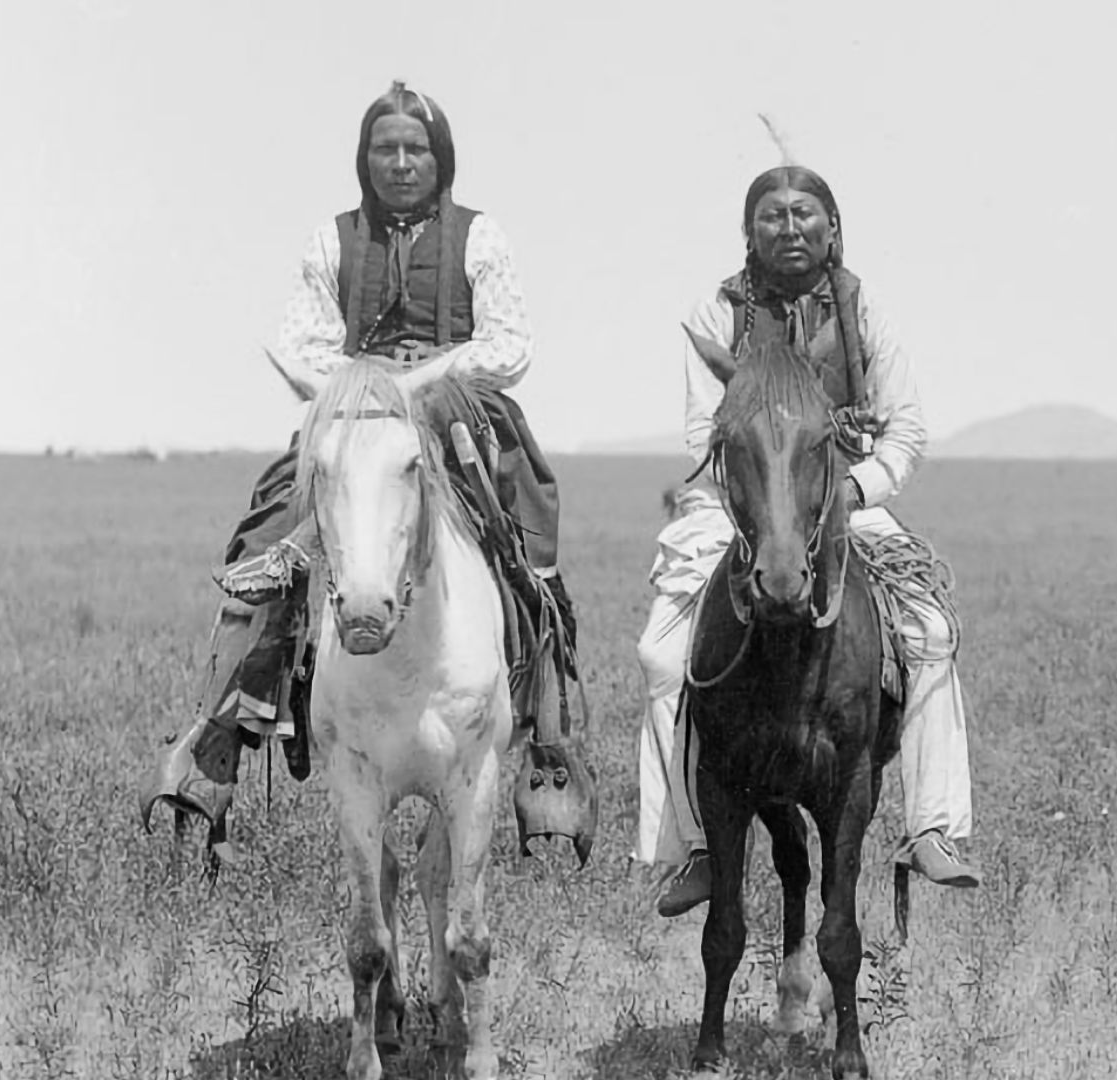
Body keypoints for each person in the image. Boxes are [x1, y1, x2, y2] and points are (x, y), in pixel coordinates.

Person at [141, 81, 572, 848]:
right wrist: (357, 385)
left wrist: (430, 377)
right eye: (385, 149)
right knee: (268, 542)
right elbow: (301, 340)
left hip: (454, 407)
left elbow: (511, 341)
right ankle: (219, 737)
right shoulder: (330, 241)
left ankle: (548, 748)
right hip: (349, 411)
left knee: (520, 543)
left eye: (416, 149)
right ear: (363, 158)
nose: (401, 163)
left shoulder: (481, 238)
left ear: (441, 159)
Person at [635, 164, 981, 916]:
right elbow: (705, 432)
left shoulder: (862, 309)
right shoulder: (717, 312)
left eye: (804, 214)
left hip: (847, 500)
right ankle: (688, 843)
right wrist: (760, 502)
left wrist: (856, 486)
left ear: (832, 226)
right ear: (748, 230)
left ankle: (932, 826)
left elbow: (907, 427)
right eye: (771, 215)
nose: (789, 228)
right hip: (741, 507)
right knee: (661, 655)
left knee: (929, 632)